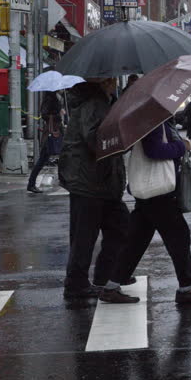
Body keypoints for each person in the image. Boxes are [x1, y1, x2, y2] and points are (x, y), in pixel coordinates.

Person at [98, 119, 191, 305]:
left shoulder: (150, 120)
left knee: (135, 242)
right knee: (178, 237)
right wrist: (182, 146)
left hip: (149, 193)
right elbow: (155, 150)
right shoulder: (152, 122)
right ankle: (186, 288)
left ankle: (111, 287)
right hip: (158, 192)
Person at [58, 78, 130, 298]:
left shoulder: (103, 101)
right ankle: (76, 284)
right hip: (89, 181)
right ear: (102, 80)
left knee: (121, 228)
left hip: (101, 181)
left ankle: (102, 277)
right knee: (85, 236)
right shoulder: (93, 103)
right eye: (110, 78)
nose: (114, 81)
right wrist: (124, 137)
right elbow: (95, 139)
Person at [27, 91, 63, 193]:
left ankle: (31, 183)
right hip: (51, 133)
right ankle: (31, 184)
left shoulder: (55, 97)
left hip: (55, 131)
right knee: (42, 160)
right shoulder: (49, 99)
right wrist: (58, 115)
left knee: (60, 156)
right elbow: (44, 114)